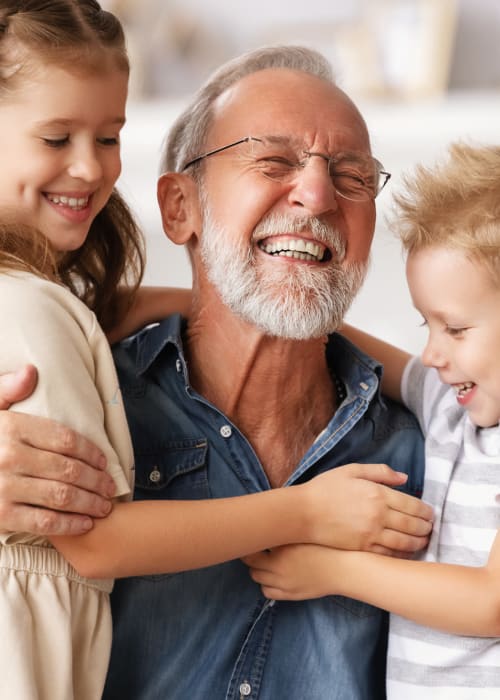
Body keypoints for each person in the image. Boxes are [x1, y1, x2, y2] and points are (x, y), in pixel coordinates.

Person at [0, 45, 435, 700]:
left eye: (351, 176)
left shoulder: (435, 454)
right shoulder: (79, 402)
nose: (316, 195)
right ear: (180, 208)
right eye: (273, 161)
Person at [246, 142, 500, 699]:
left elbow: (491, 603)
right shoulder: (449, 404)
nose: (432, 354)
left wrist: (332, 572)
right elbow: (332, 336)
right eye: (425, 326)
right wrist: (204, 301)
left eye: (454, 329)